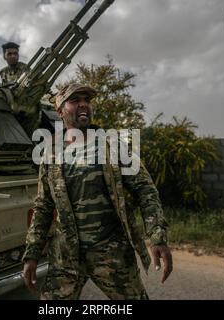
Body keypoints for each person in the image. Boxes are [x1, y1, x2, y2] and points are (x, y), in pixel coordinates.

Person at [22, 83, 173, 300]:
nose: (84, 104)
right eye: (75, 100)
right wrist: (32, 252)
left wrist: (157, 235)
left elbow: (144, 188)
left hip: (111, 253)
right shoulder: (50, 152)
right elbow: (44, 205)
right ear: (60, 111)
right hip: (66, 257)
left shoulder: (111, 144)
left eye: (87, 100)